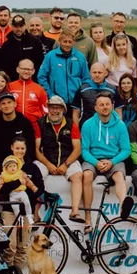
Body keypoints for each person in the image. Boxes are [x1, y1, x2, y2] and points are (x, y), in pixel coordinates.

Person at [35, 95, 91, 224]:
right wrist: (48, 165)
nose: (54, 111)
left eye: (57, 108)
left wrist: (66, 164)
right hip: (45, 160)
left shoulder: (71, 124)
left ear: (63, 110)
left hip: (67, 159)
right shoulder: (40, 123)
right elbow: (36, 150)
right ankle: (35, 213)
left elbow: (77, 149)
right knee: (36, 174)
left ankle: (75, 211)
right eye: (52, 108)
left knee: (78, 175)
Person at [80, 94, 132, 217]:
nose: (105, 107)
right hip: (93, 159)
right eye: (101, 105)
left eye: (107, 104)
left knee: (119, 176)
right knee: (86, 175)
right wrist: (96, 162)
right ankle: (88, 218)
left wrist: (112, 162)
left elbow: (126, 150)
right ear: (96, 108)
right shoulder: (87, 125)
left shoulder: (120, 125)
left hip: (113, 159)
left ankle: (123, 207)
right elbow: (84, 150)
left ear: (112, 106)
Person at [38, 31, 91, 124]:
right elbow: (41, 77)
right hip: (57, 100)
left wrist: (81, 94)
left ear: (74, 42)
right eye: (65, 41)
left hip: (76, 101)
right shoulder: (50, 56)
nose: (67, 44)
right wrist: (50, 94)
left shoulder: (80, 57)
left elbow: (86, 78)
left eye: (70, 42)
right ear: (60, 41)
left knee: (74, 126)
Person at [0, 92, 39, 180]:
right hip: (2, 161)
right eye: (3, 103)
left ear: (15, 104)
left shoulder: (25, 123)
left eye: (9, 102)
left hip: (22, 159)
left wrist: (22, 162)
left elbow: (30, 146)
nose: (6, 106)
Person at [0, 154, 36, 220]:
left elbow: (32, 183)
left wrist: (33, 187)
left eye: (14, 166)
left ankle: (29, 216)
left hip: (23, 195)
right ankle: (18, 218)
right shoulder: (3, 174)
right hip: (10, 204)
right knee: (15, 207)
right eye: (10, 166)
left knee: (27, 203)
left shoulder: (26, 170)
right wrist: (18, 182)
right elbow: (2, 188)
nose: (12, 168)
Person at [8, 58, 48, 125]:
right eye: (23, 69)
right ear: (17, 69)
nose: (26, 72)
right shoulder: (10, 87)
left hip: (34, 127)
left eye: (29, 69)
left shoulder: (39, 89)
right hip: (14, 126)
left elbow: (45, 111)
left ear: (33, 71)